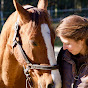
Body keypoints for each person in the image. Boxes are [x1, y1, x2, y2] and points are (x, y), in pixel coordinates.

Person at [56, 15, 88, 88]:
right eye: (62, 43)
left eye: (67, 43)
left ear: (81, 40)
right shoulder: (63, 55)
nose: (64, 48)